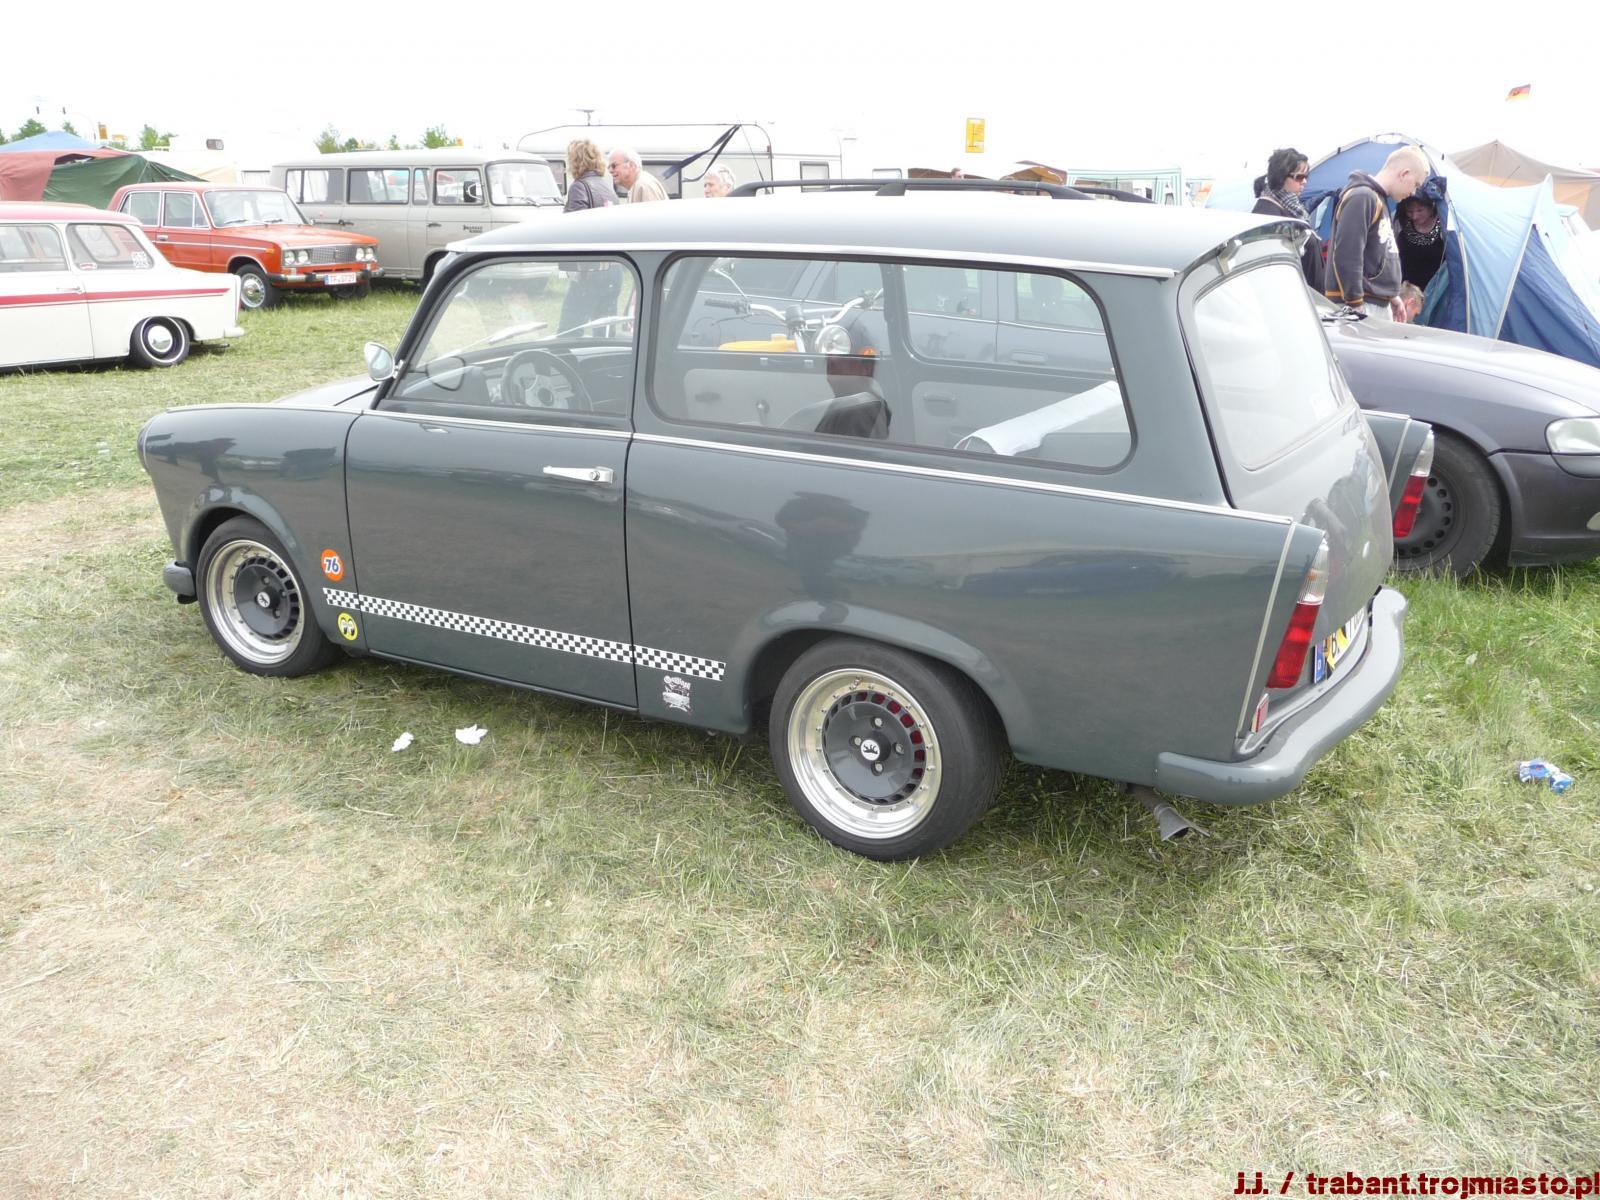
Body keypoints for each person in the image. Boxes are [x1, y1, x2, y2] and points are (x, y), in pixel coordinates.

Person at [1325, 144, 1428, 320]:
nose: (1413, 192)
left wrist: (1391, 295)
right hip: (1361, 305)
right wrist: (1355, 303)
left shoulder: (1378, 200)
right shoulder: (1362, 196)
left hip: (1374, 303)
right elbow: (1347, 255)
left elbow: (1376, 256)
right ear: (1404, 174)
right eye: (1415, 184)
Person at [560, 138, 620, 333]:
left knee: (570, 329)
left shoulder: (579, 187)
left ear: (575, 160)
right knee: (604, 330)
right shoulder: (608, 189)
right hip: (613, 269)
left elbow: (575, 229)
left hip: (589, 270)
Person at [1251, 147, 1323, 288]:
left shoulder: (1289, 208)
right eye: (1299, 177)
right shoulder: (1268, 215)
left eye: (1306, 176)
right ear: (1281, 177)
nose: (1304, 182)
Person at [1395, 195, 1444, 290]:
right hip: (1407, 289)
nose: (1414, 217)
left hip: (1436, 290)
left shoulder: (1443, 225)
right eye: (1409, 211)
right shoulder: (1400, 223)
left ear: (1431, 207)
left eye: (1420, 210)